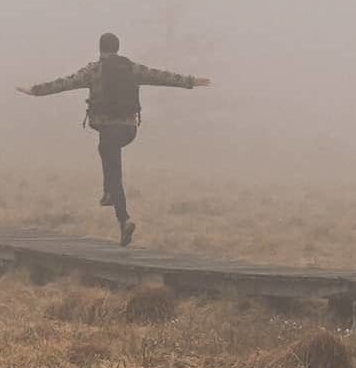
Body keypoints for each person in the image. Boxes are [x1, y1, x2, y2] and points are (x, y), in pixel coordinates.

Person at [17, 32, 211, 246]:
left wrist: (35, 91)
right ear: (117, 48)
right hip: (129, 130)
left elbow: (65, 83)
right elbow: (160, 76)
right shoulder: (131, 68)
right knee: (106, 154)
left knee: (113, 168)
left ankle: (123, 217)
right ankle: (109, 193)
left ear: (101, 49)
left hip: (108, 128)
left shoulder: (94, 70)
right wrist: (191, 81)